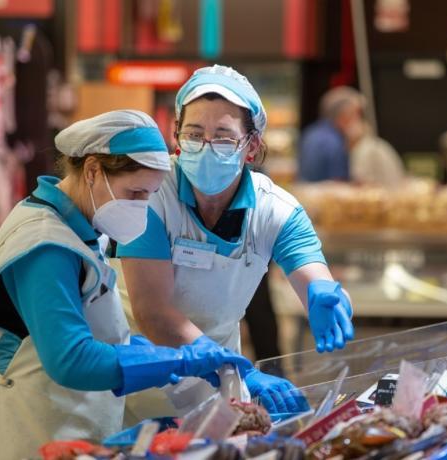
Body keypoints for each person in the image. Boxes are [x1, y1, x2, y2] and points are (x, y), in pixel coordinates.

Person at [0, 110, 252, 460]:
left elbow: (97, 334)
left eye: (151, 195)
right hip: (23, 427)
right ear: (93, 170)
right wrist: (177, 362)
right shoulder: (45, 244)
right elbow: (71, 359)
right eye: (137, 193)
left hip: (63, 423)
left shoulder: (81, 230)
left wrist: (180, 360)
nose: (142, 208)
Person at [116, 65, 355, 414]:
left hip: (218, 384)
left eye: (224, 137)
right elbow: (153, 313)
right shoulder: (150, 195)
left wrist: (329, 295)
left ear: (252, 146)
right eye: (194, 134)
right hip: (138, 375)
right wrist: (235, 368)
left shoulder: (276, 209)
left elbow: (315, 276)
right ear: (177, 135)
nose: (207, 148)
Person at [298, 86, 366, 182]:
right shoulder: (336, 141)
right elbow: (339, 182)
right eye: (356, 114)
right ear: (344, 115)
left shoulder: (310, 132)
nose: (359, 120)